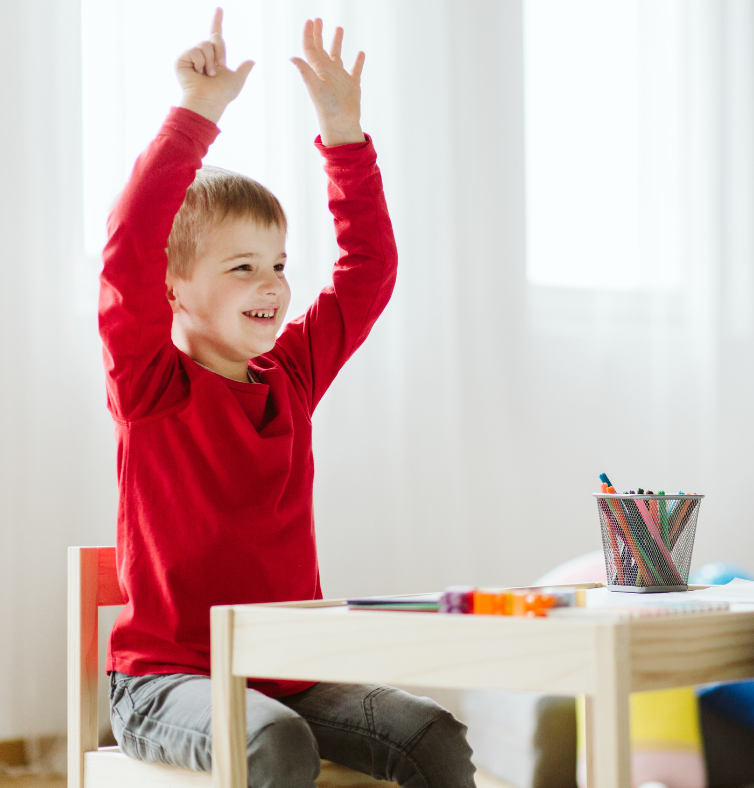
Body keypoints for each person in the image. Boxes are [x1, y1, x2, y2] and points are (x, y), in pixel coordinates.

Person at [98, 10, 475, 787]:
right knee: (277, 742)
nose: (270, 283)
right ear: (172, 288)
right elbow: (130, 244)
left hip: (286, 673)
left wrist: (344, 133)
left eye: (276, 263)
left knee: (432, 734)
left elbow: (366, 274)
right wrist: (196, 114)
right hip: (164, 683)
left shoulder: (291, 379)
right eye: (241, 267)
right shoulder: (150, 385)